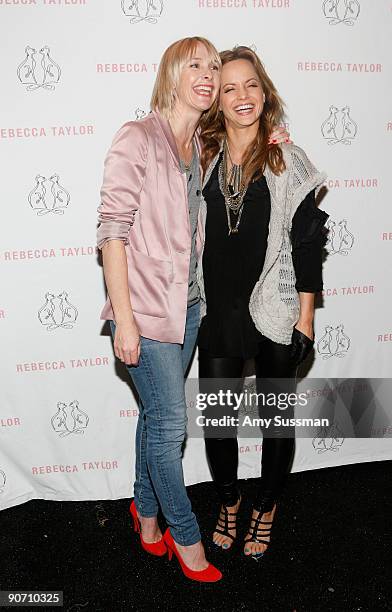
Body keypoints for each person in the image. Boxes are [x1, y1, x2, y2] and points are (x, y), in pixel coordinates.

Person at [96, 37, 288, 582]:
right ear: (171, 74)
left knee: (155, 417)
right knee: (171, 428)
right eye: (196, 66)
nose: (207, 75)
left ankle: (145, 511)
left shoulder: (199, 148)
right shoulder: (137, 138)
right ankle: (186, 537)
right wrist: (124, 320)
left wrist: (275, 138)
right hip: (147, 314)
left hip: (192, 311)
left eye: (214, 67)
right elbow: (112, 233)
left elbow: (250, 150)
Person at [197, 46, 329, 560]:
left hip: (275, 306)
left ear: (264, 91)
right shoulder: (201, 160)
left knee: (277, 420)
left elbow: (307, 242)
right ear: (218, 102)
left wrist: (307, 318)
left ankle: (267, 506)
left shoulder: (286, 159)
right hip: (219, 311)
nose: (241, 95)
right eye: (229, 88)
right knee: (219, 422)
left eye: (250, 84)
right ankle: (229, 502)